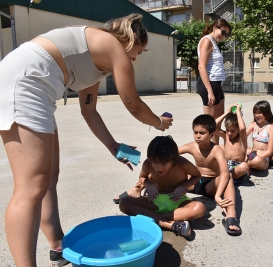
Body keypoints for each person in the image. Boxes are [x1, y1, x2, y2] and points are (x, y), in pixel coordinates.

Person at [0, 13, 173, 267]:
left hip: (32, 85)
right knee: (31, 186)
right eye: (140, 50)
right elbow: (133, 104)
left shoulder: (95, 60)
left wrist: (114, 147)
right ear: (131, 40)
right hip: (26, 83)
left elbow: (88, 110)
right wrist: (159, 122)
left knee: (48, 177)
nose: (136, 57)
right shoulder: (114, 47)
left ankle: (57, 245)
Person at [118, 136, 206, 239]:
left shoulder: (182, 163)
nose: (159, 167)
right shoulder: (148, 164)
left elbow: (197, 175)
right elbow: (142, 177)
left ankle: (153, 218)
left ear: (173, 160)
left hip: (177, 201)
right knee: (124, 203)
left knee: (199, 208)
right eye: (155, 163)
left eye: (164, 164)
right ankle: (170, 224)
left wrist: (183, 186)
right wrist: (149, 185)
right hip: (156, 199)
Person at [179, 114, 242, 235]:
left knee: (228, 176)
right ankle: (154, 194)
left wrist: (218, 195)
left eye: (202, 133)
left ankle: (231, 215)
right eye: (195, 132)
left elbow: (224, 172)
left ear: (212, 135)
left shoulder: (216, 149)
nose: (198, 136)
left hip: (211, 185)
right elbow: (171, 153)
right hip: (194, 181)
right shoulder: (192, 146)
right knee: (171, 162)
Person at [196, 19, 232, 145]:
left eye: (226, 34)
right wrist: (210, 91)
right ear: (215, 28)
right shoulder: (206, 41)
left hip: (216, 84)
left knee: (218, 122)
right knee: (210, 124)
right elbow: (201, 67)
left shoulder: (213, 43)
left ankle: (217, 150)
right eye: (223, 32)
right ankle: (209, 154)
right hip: (209, 84)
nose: (224, 36)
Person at [215, 103, 250, 184]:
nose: (229, 133)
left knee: (244, 166)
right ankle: (226, 176)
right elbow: (212, 125)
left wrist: (238, 112)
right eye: (227, 130)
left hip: (237, 167)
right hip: (226, 165)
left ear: (238, 129)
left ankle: (224, 177)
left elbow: (242, 128)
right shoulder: (225, 136)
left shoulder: (242, 138)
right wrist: (227, 112)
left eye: (232, 130)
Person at [246, 100, 273, 171]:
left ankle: (242, 165)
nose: (257, 115)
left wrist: (256, 157)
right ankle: (245, 165)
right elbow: (243, 136)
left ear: (266, 113)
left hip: (262, 158)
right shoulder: (253, 125)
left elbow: (269, 151)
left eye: (260, 113)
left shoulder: (270, 128)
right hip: (252, 154)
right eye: (255, 113)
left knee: (257, 160)